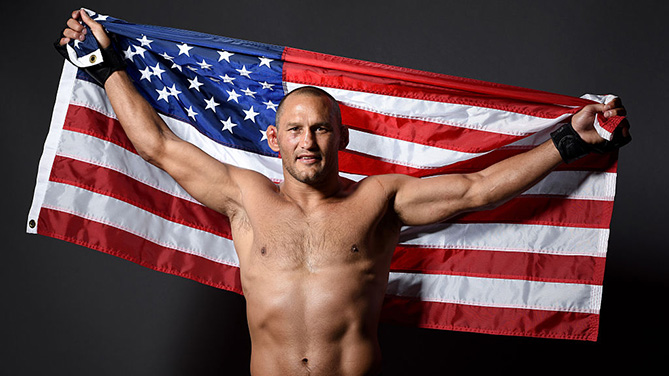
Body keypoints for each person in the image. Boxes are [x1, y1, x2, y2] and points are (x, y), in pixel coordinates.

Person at [57, 9, 630, 376]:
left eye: (321, 128)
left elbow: (477, 188)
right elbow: (157, 144)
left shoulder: (377, 201)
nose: (308, 141)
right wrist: (102, 64)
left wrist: (572, 140)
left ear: (342, 137)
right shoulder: (244, 196)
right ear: (274, 139)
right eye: (296, 130)